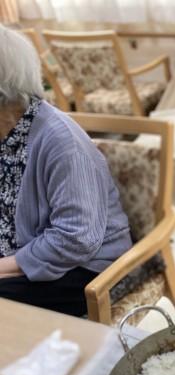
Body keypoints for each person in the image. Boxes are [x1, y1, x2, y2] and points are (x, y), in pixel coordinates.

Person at [0, 25, 132, 317]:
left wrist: (6, 266)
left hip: (86, 268)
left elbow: (75, 240)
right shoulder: (7, 131)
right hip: (23, 250)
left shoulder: (62, 142)